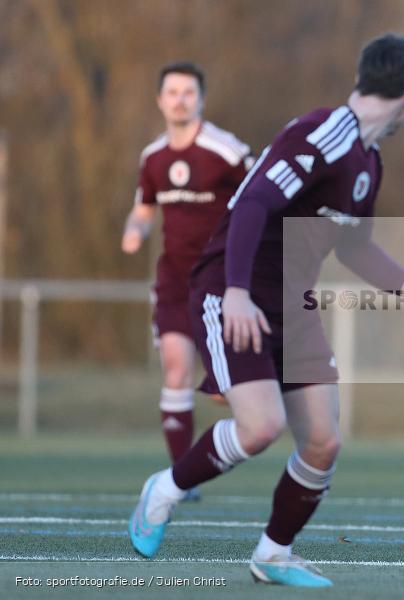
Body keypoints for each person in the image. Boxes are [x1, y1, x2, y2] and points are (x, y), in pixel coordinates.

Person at [128, 34, 404, 587]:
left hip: (294, 302)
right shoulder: (321, 133)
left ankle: (272, 555)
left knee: (323, 440)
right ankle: (163, 490)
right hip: (229, 289)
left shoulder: (368, 160)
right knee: (261, 426)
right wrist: (236, 291)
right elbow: (255, 202)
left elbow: (355, 246)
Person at [121, 61, 252, 499]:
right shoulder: (152, 158)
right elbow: (143, 210)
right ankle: (181, 478)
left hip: (221, 279)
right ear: (160, 100)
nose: (180, 99)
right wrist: (134, 232)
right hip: (175, 281)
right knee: (175, 370)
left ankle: (258, 424)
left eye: (188, 92)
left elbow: (260, 194)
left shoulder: (226, 150)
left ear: (201, 99)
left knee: (224, 391)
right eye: (172, 92)